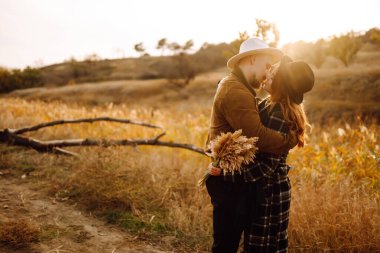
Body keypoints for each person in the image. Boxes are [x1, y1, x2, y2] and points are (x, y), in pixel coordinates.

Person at [210, 55, 315, 252]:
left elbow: (267, 163)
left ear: (282, 85)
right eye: (270, 70)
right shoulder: (268, 103)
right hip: (261, 187)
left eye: (273, 75)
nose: (267, 75)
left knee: (264, 246)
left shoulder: (281, 112)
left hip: (270, 190)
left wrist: (229, 172)